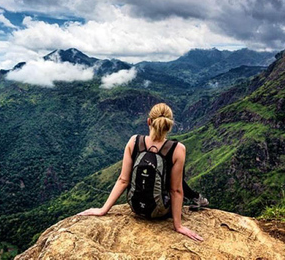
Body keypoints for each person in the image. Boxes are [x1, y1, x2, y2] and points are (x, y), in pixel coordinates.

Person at [78, 103, 207, 242]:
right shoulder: (178, 149)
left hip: (135, 207)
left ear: (148, 121)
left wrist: (103, 210)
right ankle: (197, 198)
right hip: (160, 212)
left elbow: (123, 180)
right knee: (174, 176)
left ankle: (196, 197)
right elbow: (175, 190)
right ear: (169, 125)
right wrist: (178, 226)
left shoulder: (134, 141)